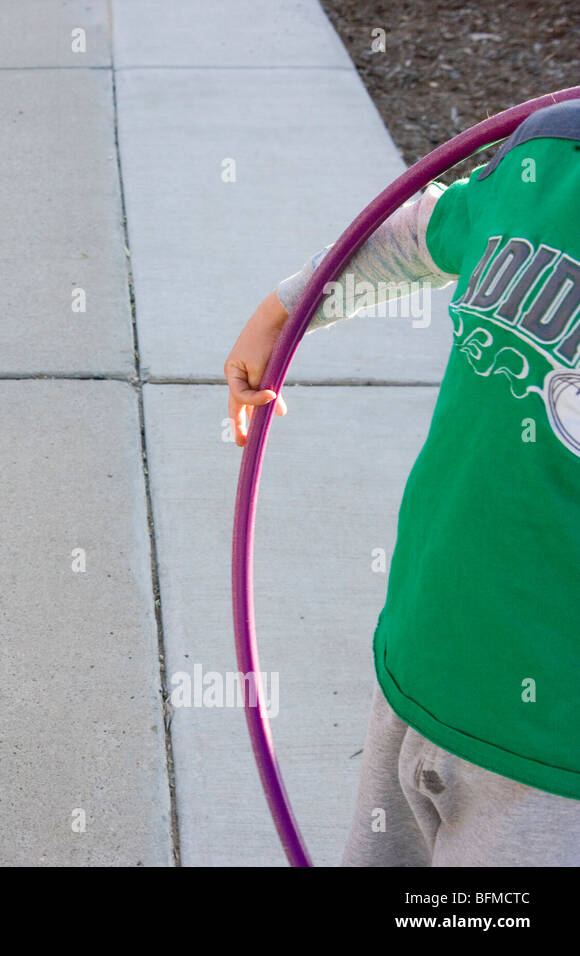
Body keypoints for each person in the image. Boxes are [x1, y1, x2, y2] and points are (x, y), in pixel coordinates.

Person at [224, 98, 580, 865]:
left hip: (552, 759)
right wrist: (289, 307)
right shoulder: (551, 154)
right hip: (424, 661)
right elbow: (427, 231)